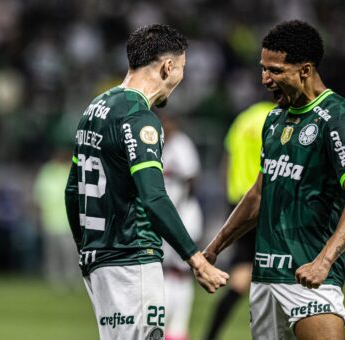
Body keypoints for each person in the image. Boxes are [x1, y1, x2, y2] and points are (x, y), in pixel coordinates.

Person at [203, 20, 345, 340]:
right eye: (263, 68)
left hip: (309, 281)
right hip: (265, 279)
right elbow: (259, 194)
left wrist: (324, 262)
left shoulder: (335, 116)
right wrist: (214, 249)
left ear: (305, 70)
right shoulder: (273, 120)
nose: (264, 78)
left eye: (275, 70)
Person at [64, 24, 229, 340]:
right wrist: (195, 258)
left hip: (98, 259)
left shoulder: (95, 109)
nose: (180, 78)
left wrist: (85, 248)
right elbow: (154, 197)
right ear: (168, 67)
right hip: (132, 259)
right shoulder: (139, 118)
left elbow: (73, 191)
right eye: (182, 68)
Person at [204, 101, 275, 340]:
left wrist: (230, 200)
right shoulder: (278, 119)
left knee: (241, 275)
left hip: (239, 205)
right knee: (279, 272)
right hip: (265, 202)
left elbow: (227, 161)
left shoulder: (242, 119)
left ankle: (210, 335)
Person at [159, 113, 203, 340]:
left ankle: (176, 330)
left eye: (167, 122)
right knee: (167, 271)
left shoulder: (181, 144)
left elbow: (191, 178)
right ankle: (172, 330)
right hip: (168, 217)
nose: (165, 126)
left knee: (181, 271)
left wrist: (177, 208)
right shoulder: (161, 145)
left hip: (183, 217)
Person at [34, 149, 79, 290]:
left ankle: (73, 280)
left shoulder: (69, 170)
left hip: (68, 222)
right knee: (53, 255)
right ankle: (56, 282)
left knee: (70, 254)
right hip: (51, 221)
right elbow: (39, 195)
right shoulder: (47, 171)